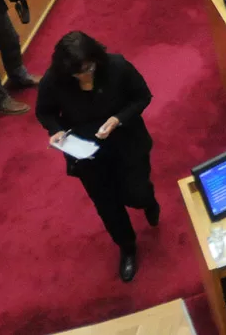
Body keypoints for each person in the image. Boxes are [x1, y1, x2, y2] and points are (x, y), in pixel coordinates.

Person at [37, 31, 156, 282]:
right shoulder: (54, 79)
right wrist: (56, 130)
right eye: (77, 73)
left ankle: (148, 201)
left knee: (136, 194)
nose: (84, 76)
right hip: (86, 153)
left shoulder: (117, 66)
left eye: (88, 68)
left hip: (127, 142)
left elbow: (142, 96)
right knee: (107, 205)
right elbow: (45, 112)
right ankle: (127, 247)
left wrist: (117, 119)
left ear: (96, 57)